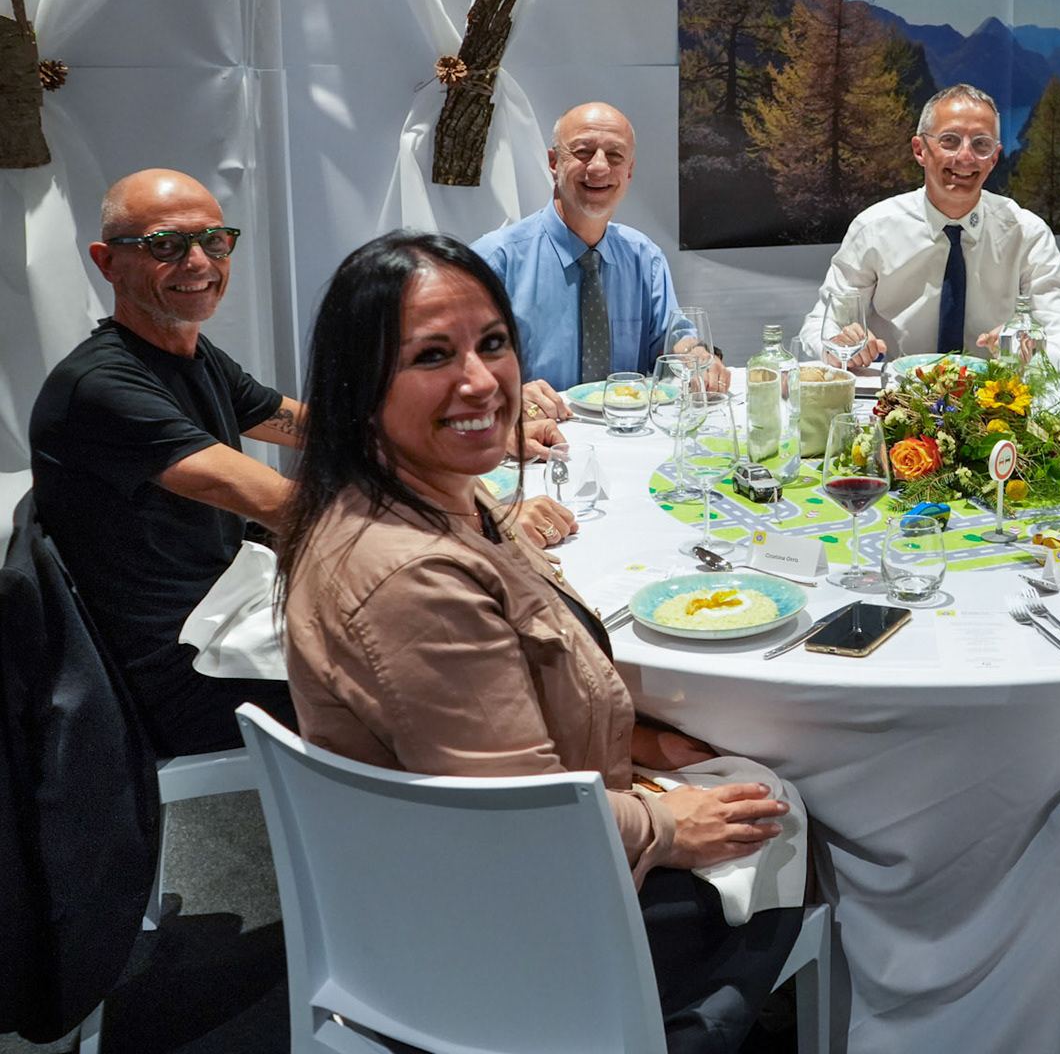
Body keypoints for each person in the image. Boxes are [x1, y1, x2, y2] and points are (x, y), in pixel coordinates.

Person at [277, 232, 800, 1052]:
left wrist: (644, 740)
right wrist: (667, 827)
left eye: (493, 344)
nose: (480, 380)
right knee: (791, 822)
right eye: (432, 356)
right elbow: (526, 822)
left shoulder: (447, 501)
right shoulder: (410, 575)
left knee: (749, 786)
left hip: (461, 881)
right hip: (515, 943)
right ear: (359, 385)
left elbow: (511, 708)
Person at [28, 169, 305, 755]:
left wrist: (456, 435)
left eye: (214, 241)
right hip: (176, 677)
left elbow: (309, 426)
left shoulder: (190, 352)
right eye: (166, 245)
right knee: (430, 672)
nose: (199, 262)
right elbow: (282, 504)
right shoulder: (101, 386)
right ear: (108, 263)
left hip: (227, 612)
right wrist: (468, 526)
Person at [797, 84, 1060, 368]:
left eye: (981, 144)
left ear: (994, 158)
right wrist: (839, 345)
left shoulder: (1027, 233)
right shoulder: (874, 229)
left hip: (996, 394)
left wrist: (1035, 352)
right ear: (920, 150)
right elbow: (821, 326)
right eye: (950, 140)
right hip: (895, 394)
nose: (965, 157)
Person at [472, 101, 725, 413]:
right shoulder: (494, 261)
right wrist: (506, 396)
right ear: (554, 162)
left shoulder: (645, 259)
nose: (599, 167)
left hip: (627, 431)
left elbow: (671, 344)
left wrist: (695, 354)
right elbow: (456, 369)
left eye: (615, 156)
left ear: (629, 171)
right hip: (537, 433)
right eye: (583, 152)